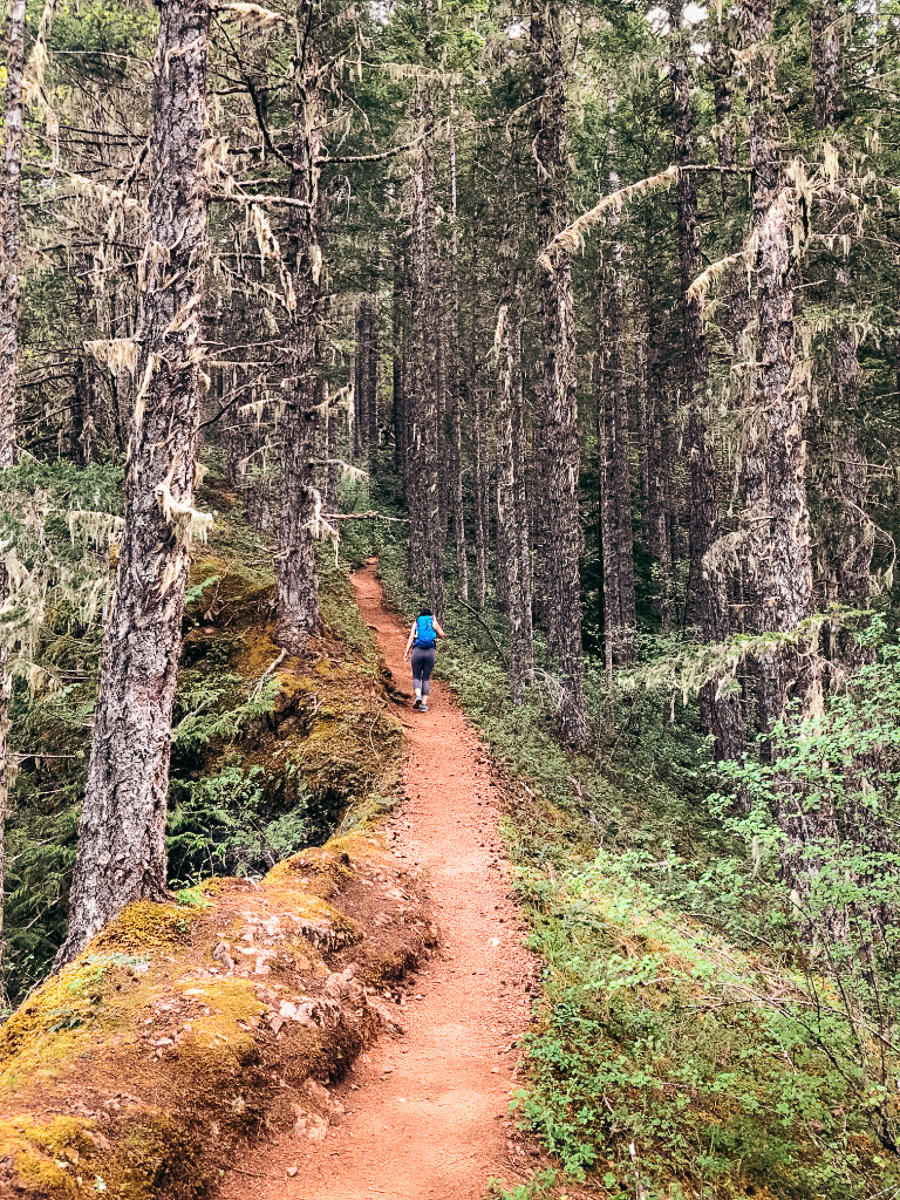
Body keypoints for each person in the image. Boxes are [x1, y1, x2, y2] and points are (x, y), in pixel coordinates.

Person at [403, 607, 445, 712]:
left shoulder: (417, 622)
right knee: (426, 678)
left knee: (416, 676)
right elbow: (442, 635)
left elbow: (411, 637)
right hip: (430, 652)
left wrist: (406, 652)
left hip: (417, 651)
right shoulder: (433, 622)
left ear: (420, 615)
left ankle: (418, 696)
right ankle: (424, 705)